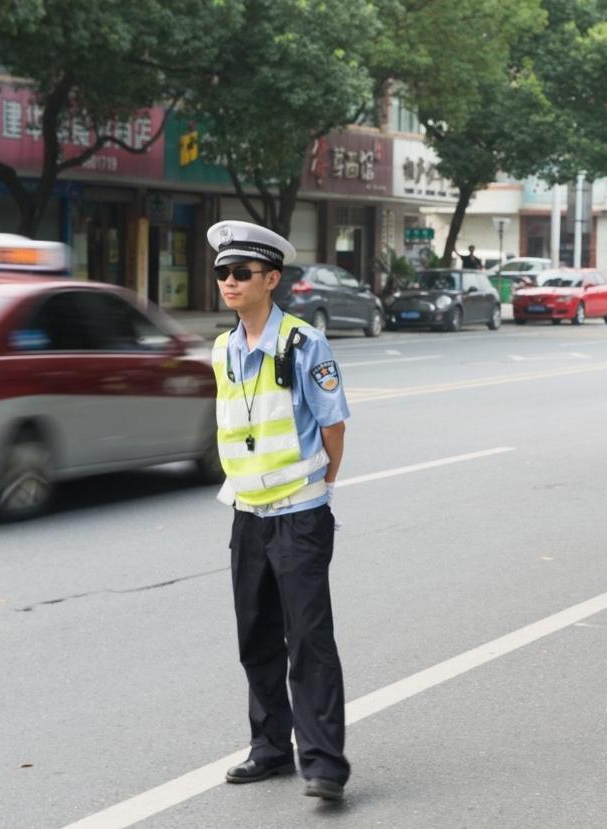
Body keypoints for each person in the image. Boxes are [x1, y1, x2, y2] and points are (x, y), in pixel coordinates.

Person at [207, 220, 352, 801]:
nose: (229, 281)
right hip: (247, 512)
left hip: (298, 512)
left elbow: (334, 425)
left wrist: (321, 486)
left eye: (242, 273)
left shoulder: (303, 343)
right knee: (256, 637)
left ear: (271, 279)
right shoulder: (222, 349)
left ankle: (324, 765)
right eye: (223, 272)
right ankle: (270, 748)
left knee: (309, 641)